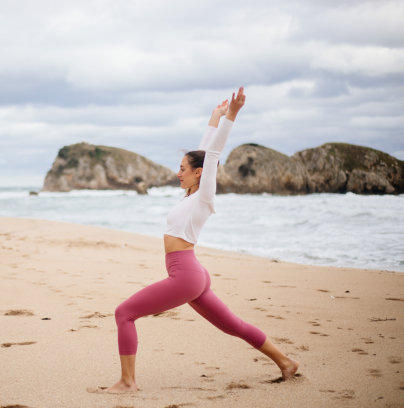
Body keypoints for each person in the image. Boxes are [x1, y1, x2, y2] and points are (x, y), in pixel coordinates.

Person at [107, 87, 299, 393]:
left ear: (199, 174)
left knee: (124, 313)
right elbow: (203, 151)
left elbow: (211, 155)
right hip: (192, 274)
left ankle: (127, 381)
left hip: (185, 275)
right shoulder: (191, 194)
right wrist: (214, 117)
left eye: (183, 169)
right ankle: (286, 362)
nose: (178, 173)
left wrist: (231, 117)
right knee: (232, 325)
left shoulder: (204, 196)